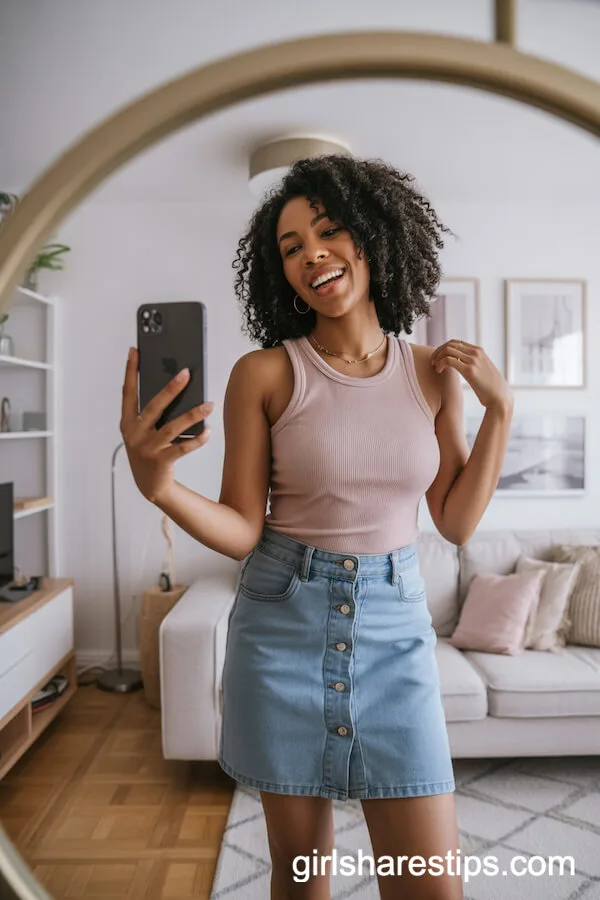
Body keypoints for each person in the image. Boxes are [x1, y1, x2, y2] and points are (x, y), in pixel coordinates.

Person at [121, 155, 514, 900]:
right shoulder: (263, 375)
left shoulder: (433, 371)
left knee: (432, 887)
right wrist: (160, 486)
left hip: (396, 631)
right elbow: (242, 528)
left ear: (374, 237)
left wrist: (502, 411)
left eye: (329, 232)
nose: (311, 255)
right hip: (281, 627)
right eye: (291, 246)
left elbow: (456, 521)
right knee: (302, 880)